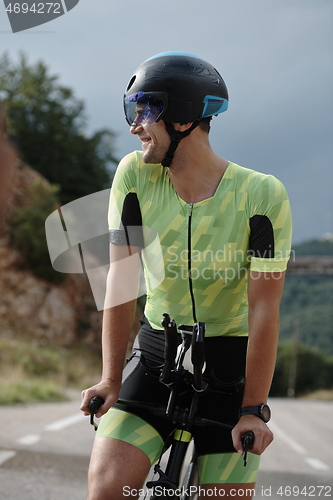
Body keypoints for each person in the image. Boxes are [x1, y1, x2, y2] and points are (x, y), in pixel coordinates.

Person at [81, 52, 292, 499]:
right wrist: (110, 378)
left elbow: (264, 309)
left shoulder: (261, 195)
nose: (135, 125)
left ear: (183, 118)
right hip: (157, 357)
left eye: (146, 109)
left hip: (230, 374)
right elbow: (121, 285)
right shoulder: (134, 176)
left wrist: (253, 408)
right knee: (106, 491)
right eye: (132, 110)